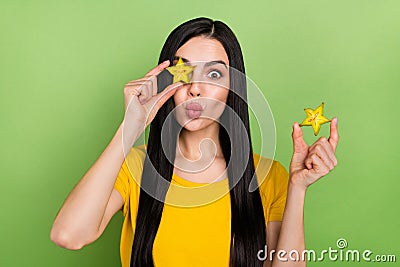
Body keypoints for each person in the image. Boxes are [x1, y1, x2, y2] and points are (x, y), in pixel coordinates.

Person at [50, 17, 339, 267]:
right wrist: (130, 127)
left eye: (214, 74)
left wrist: (298, 188)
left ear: (232, 88)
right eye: (183, 72)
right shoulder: (135, 167)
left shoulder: (268, 177)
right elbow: (68, 235)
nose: (195, 89)